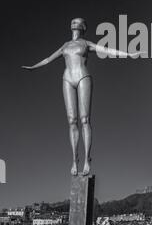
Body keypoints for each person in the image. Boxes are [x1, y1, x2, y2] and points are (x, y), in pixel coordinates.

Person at [22, 18, 139, 176]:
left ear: (83, 27)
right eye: (72, 21)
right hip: (67, 79)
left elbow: (107, 50)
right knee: (72, 120)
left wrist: (129, 54)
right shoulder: (65, 46)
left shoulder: (86, 44)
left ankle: (86, 159)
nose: (73, 23)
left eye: (77, 21)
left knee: (84, 119)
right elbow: (49, 59)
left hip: (83, 77)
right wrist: (33, 67)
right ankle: (74, 160)